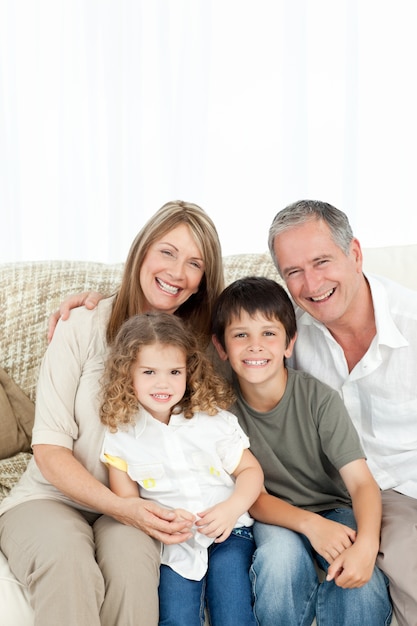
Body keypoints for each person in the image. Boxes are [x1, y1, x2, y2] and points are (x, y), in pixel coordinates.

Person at [0, 200, 226, 626]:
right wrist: (124, 509)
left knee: (132, 570)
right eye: (167, 251)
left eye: (194, 263)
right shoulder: (81, 324)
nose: (177, 272)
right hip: (51, 499)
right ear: (141, 251)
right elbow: (49, 450)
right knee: (68, 564)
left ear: (201, 282)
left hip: (138, 505)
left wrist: (132, 511)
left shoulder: (199, 351)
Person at [268, 199, 417, 626]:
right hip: (367, 494)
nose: (311, 283)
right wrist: (109, 300)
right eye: (293, 271)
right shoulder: (288, 335)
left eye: (321, 261)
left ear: (354, 253)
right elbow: (216, 330)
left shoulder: (411, 319)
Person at [211, 275, 392, 626]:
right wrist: (311, 525)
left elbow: (361, 484)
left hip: (334, 507)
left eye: (268, 333)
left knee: (360, 582)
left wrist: (367, 544)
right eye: (240, 335)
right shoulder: (220, 411)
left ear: (289, 343)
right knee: (279, 563)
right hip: (273, 513)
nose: (255, 346)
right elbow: (256, 497)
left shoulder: (318, 399)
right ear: (221, 347)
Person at [100, 312, 263, 626]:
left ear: (190, 371)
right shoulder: (120, 436)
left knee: (233, 614)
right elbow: (129, 504)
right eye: (149, 372)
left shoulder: (211, 420)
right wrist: (163, 521)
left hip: (229, 534)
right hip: (173, 546)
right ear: (127, 374)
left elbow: (250, 471)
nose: (163, 383)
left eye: (174, 371)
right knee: (176, 618)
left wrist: (231, 509)